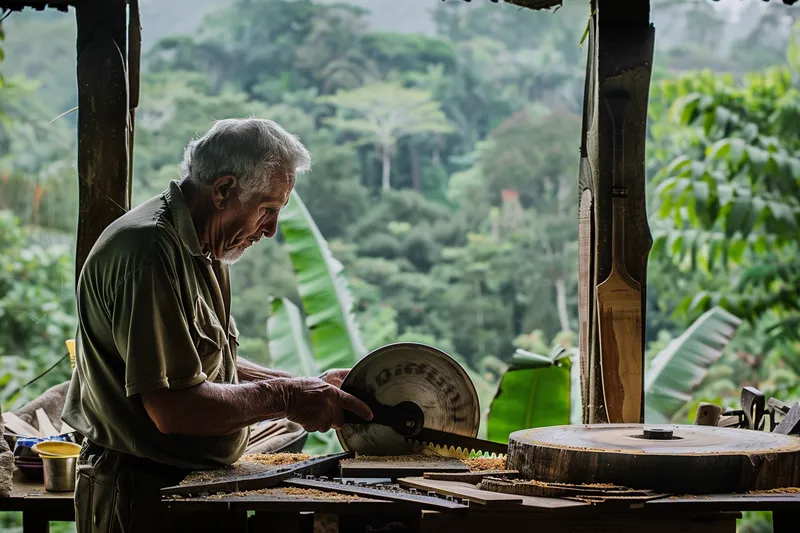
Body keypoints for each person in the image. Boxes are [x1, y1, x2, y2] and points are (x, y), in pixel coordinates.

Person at [61, 118, 373, 533]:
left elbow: (207, 366)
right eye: (267, 209)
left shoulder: (205, 247)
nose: (272, 229)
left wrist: (310, 386)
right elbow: (175, 408)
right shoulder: (150, 252)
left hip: (186, 487)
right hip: (140, 495)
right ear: (224, 190)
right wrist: (289, 397)